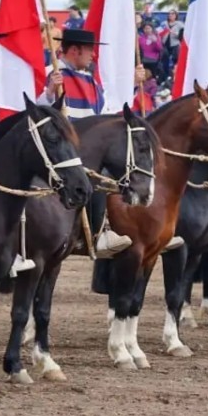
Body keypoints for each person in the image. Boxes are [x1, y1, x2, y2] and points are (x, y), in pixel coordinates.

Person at [43, 28, 135, 259]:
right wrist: (49, 92)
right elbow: (34, 111)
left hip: (89, 149)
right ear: (75, 50)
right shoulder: (52, 74)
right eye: (89, 51)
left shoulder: (92, 81)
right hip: (59, 150)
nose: (93, 56)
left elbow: (102, 113)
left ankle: (102, 231)